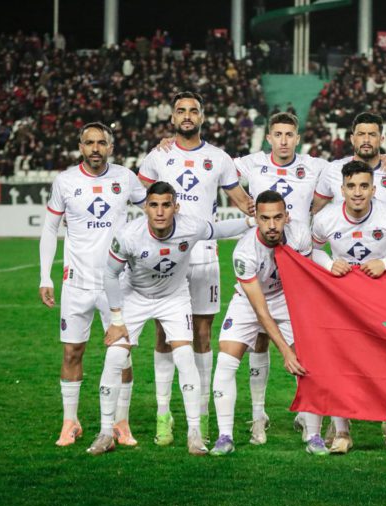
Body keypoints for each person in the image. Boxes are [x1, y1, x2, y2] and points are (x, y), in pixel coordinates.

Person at [86, 181, 254, 455]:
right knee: (115, 357)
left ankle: (194, 434)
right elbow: (110, 274)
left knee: (185, 356)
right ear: (145, 208)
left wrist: (251, 221)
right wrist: (117, 320)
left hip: (174, 298)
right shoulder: (128, 235)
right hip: (135, 296)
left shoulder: (190, 226)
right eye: (154, 205)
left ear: (176, 207)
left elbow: (219, 230)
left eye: (166, 205)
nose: (160, 211)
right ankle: (106, 433)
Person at [137, 91, 253, 447]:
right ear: (172, 117)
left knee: (202, 334)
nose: (187, 115)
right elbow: (138, 196)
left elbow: (243, 202)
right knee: (163, 333)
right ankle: (163, 414)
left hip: (203, 254)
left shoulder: (218, 158)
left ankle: (200, 415)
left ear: (202, 117)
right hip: (166, 256)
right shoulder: (158, 156)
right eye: (181, 111)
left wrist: (272, 215)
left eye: (193, 111)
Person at [39, 122, 146, 447]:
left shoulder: (125, 178)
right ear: (81, 147)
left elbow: (155, 207)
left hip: (117, 283)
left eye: (101, 143)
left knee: (122, 354)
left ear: (110, 147)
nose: (95, 148)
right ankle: (70, 422)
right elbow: (50, 229)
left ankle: (121, 423)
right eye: (90, 143)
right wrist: (45, 276)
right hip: (76, 283)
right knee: (72, 351)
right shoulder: (66, 181)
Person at [311, 160, 386, 455]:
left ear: (374, 189)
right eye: (351, 186)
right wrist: (328, 263)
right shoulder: (326, 218)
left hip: (385, 298)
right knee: (340, 362)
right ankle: (342, 433)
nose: (357, 192)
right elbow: (310, 250)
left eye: (363, 186)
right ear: (342, 190)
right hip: (342, 301)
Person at [233, 112, 330, 444]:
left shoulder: (314, 166)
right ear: (269, 138)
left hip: (298, 260)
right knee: (260, 340)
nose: (284, 140)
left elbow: (344, 173)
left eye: (290, 134)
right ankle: (259, 414)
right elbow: (215, 168)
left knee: (305, 341)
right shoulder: (252, 163)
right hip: (261, 257)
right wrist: (243, 201)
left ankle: (306, 414)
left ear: (298, 138)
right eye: (278, 134)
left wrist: (385, 159)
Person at [210, 191, 325, 456]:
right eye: (264, 218)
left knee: (309, 359)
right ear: (256, 218)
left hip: (288, 296)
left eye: (277, 217)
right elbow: (261, 311)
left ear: (287, 217)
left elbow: (305, 277)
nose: (272, 225)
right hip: (249, 301)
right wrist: (285, 351)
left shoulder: (300, 234)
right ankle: (225, 436)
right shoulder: (244, 252)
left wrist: (307, 320)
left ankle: (314, 435)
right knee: (226, 359)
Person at [311, 112, 386, 215]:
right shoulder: (333, 170)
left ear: (381, 139)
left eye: (372, 135)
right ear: (352, 139)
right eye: (361, 134)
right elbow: (316, 211)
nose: (366, 140)